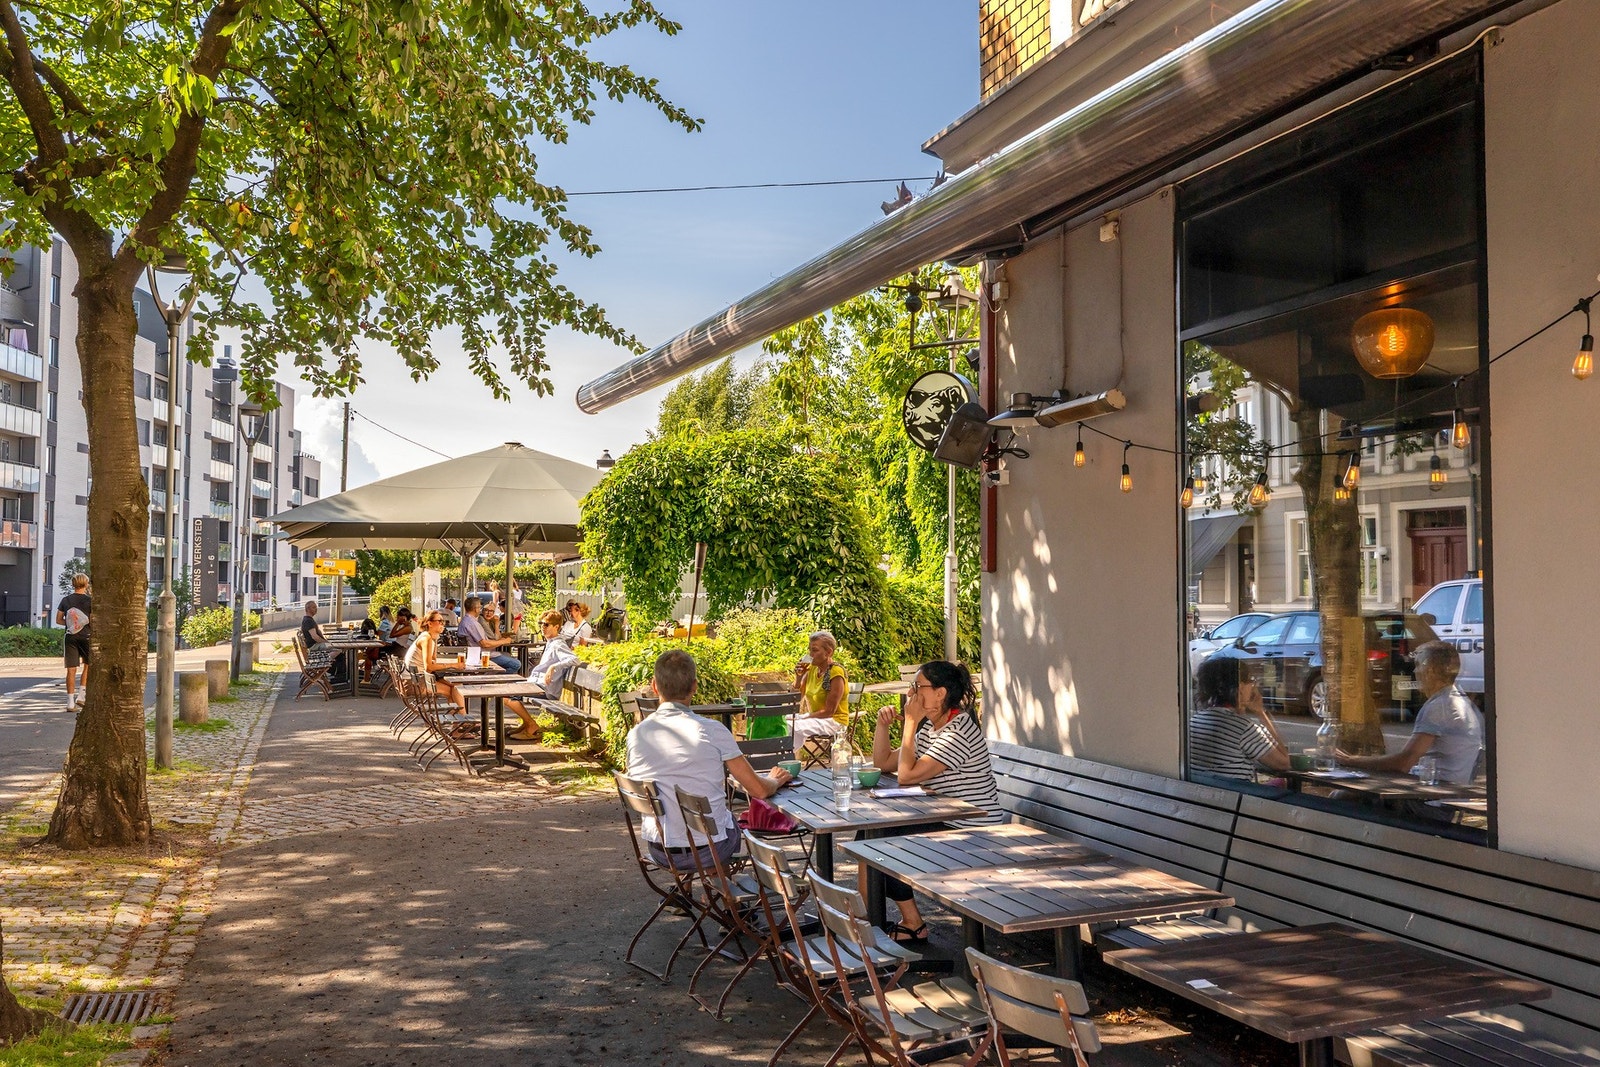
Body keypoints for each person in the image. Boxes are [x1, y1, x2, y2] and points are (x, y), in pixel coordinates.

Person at [869, 660, 1002, 941]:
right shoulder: (932, 727)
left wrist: (910, 722)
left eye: (919, 687)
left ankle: (891, 923)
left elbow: (906, 776)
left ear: (940, 693)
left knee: (881, 841)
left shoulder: (958, 732)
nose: (912, 693)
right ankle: (881, 920)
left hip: (974, 831)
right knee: (871, 835)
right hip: (949, 821)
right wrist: (883, 725)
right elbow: (882, 763)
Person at [625, 649, 793, 870]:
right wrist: (775, 780)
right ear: (694, 686)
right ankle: (720, 890)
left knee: (690, 810)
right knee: (729, 821)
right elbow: (758, 791)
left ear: (654, 686)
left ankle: (689, 892)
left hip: (660, 849)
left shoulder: (636, 734)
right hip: (710, 849)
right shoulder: (712, 730)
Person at [1337, 640, 1484, 784]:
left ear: (1430, 670)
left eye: (1418, 665)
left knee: (1342, 795)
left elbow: (1404, 762)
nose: (1414, 671)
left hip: (1431, 798)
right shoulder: (1458, 699)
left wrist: (1351, 761)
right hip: (1442, 790)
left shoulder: (1439, 707)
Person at [1188, 656, 1291, 780]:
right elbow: (1284, 763)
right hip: (1233, 796)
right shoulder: (1244, 728)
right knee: (1281, 783)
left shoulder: (1194, 722)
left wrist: (1240, 709)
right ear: (1240, 687)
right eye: (1250, 681)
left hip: (1205, 793)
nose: (1253, 686)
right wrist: (1260, 713)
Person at [792, 630, 848, 758]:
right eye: (809, 650)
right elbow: (796, 699)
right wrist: (798, 678)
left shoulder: (836, 673)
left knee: (792, 726)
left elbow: (829, 712)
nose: (810, 654)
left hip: (834, 721)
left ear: (828, 652)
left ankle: (787, 761)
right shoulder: (812, 669)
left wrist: (803, 717)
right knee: (782, 722)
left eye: (814, 650)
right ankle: (781, 760)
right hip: (816, 719)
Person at [404, 610, 466, 713]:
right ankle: (461, 722)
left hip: (417, 678)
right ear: (430, 623)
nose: (442, 624)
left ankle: (458, 723)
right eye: (439, 621)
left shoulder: (428, 637)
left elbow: (433, 660)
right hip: (414, 683)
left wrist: (436, 638)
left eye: (443, 621)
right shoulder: (426, 639)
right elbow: (429, 667)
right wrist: (454, 665)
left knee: (456, 686)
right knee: (455, 690)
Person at [457, 595, 521, 673]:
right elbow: (485, 644)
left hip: (477, 653)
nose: (480, 610)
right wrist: (505, 641)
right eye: (480, 608)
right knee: (516, 664)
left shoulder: (467, 621)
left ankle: (493, 678)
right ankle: (494, 680)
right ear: (476, 609)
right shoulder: (473, 623)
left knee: (508, 655)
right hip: (482, 655)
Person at [56, 573, 91, 710]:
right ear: (86, 584)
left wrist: (72, 624)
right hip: (86, 636)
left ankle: (70, 702)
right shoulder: (90, 601)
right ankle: (81, 696)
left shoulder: (66, 600)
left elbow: (58, 619)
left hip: (70, 636)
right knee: (88, 665)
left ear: (73, 584)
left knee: (71, 669)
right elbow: (92, 620)